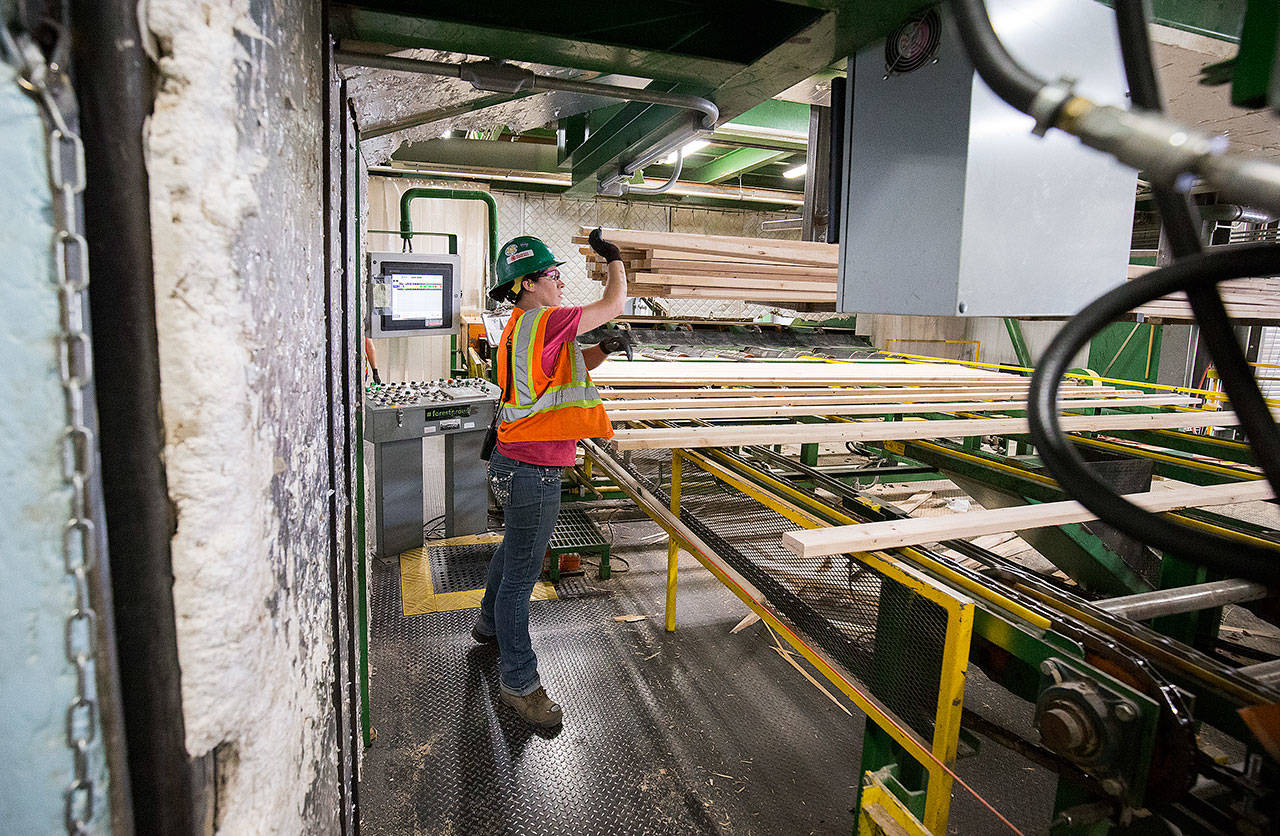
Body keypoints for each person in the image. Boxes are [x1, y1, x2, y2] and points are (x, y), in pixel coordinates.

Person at [473, 228, 629, 727]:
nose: (561, 282)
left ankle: (487, 627)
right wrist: (615, 260)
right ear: (526, 283)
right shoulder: (545, 319)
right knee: (522, 578)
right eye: (553, 274)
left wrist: (603, 349)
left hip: (515, 461)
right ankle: (519, 684)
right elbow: (615, 302)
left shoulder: (522, 327)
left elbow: (564, 367)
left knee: (513, 551)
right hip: (534, 469)